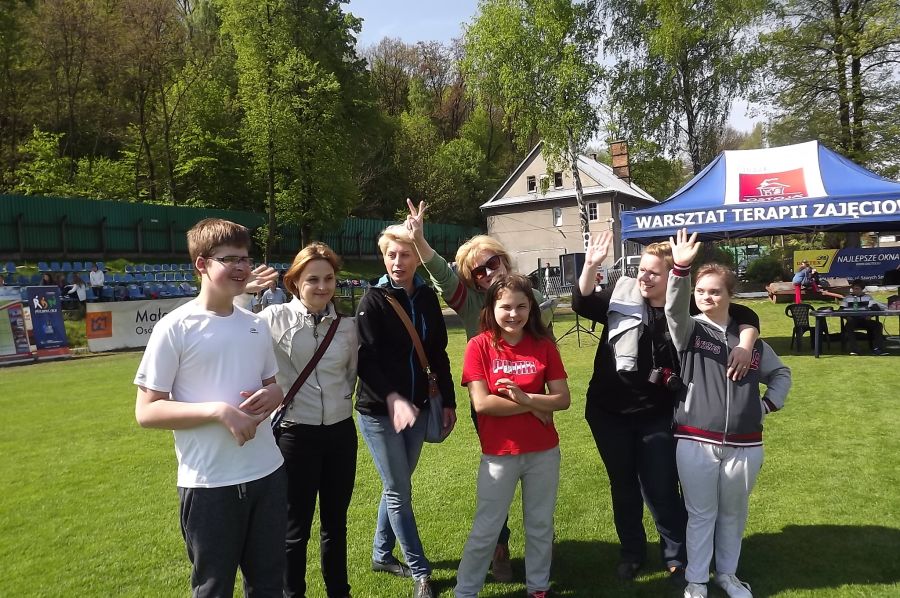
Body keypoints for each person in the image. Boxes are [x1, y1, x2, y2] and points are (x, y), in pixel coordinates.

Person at [571, 231, 761, 584]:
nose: (644, 277)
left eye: (653, 273)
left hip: (658, 413)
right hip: (608, 411)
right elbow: (582, 303)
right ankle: (632, 553)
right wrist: (591, 265)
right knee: (623, 486)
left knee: (661, 486)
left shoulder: (687, 306)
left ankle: (676, 555)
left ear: (672, 276)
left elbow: (745, 314)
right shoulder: (622, 296)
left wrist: (745, 345)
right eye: (641, 270)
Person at [133, 218, 287, 597]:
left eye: (245, 258)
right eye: (229, 259)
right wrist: (219, 411)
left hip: (268, 473)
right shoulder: (175, 327)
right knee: (213, 588)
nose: (241, 267)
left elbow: (272, 386)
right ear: (201, 264)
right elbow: (147, 411)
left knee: (269, 586)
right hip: (209, 484)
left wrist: (276, 395)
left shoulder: (255, 324)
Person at [405, 198, 551, 581]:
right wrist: (419, 240)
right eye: (479, 270)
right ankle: (499, 547)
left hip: (535, 399)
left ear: (505, 260)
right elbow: (441, 273)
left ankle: (538, 548)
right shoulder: (472, 304)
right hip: (491, 403)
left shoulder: (534, 301)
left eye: (493, 263)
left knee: (539, 473)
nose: (488, 272)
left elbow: (548, 346)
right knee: (498, 478)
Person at [666, 229, 792, 598]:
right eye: (701, 291)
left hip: (746, 443)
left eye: (715, 291)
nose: (706, 297)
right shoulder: (689, 330)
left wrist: (765, 405)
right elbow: (674, 308)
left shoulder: (751, 342)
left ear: (729, 295)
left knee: (733, 514)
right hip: (695, 439)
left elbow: (781, 374)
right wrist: (680, 269)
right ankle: (696, 581)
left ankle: (728, 575)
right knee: (700, 513)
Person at [355, 224, 457, 598]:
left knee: (396, 485)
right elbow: (365, 361)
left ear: (417, 258)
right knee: (399, 491)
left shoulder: (428, 297)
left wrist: (448, 401)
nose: (398, 262)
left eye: (405, 254)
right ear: (384, 257)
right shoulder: (372, 300)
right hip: (378, 412)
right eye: (391, 255)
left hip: (419, 407)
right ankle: (421, 572)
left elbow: (437, 353)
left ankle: (381, 555)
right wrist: (393, 398)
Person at [454, 274, 570, 598]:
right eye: (505, 307)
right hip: (499, 454)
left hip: (543, 451)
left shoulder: (544, 346)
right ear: (491, 309)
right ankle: (465, 592)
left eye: (521, 306)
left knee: (540, 524)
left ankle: (538, 588)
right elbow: (483, 404)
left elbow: (562, 399)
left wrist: (525, 398)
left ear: (531, 308)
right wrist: (534, 406)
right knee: (487, 528)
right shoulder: (478, 346)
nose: (514, 314)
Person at [259, 242, 358, 598]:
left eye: (329, 278)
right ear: (295, 282)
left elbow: (350, 376)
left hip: (340, 433)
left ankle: (339, 592)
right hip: (295, 434)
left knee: (336, 524)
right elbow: (232, 331)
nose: (322, 286)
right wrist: (242, 293)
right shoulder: (272, 319)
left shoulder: (348, 326)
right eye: (313, 279)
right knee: (294, 528)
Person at [840, 279, 889, 355]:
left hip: (865, 319)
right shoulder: (847, 298)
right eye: (853, 288)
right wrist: (847, 317)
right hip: (852, 320)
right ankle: (855, 350)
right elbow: (841, 310)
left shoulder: (868, 297)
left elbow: (875, 308)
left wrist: (870, 315)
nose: (854, 290)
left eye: (857, 289)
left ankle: (878, 349)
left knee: (878, 325)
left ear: (862, 289)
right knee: (848, 326)